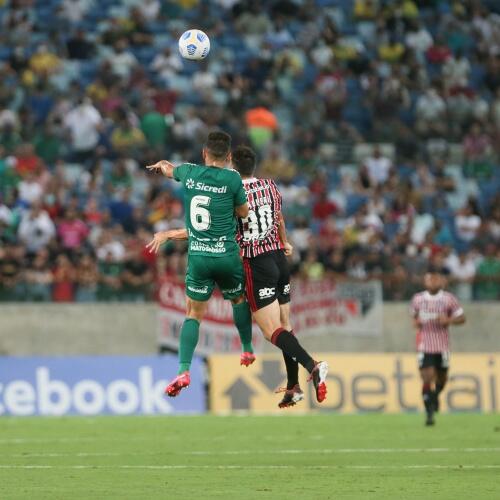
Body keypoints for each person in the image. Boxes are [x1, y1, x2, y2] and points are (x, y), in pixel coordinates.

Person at [148, 145, 329, 407]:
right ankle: (293, 385)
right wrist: (285, 242)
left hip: (256, 263)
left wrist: (169, 234)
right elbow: (278, 217)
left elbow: (208, 228)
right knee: (285, 326)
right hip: (279, 259)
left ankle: (313, 365)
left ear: (233, 166)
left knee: (271, 331)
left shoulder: (233, 193)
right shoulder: (270, 186)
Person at [145, 131, 255, 397]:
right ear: (229, 157)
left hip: (199, 257)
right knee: (238, 299)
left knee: (193, 314)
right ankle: (247, 349)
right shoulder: (232, 178)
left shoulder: (190, 173)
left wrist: (162, 166)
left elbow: (170, 170)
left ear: (204, 153)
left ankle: (184, 369)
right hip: (227, 255)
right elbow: (243, 213)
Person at [410, 267, 466, 426]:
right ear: (425, 281)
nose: (433, 282)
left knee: (442, 378)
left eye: (436, 279)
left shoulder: (449, 299)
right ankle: (429, 414)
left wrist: (449, 321)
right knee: (427, 376)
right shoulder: (418, 299)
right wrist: (417, 323)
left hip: (442, 345)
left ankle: (434, 398)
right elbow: (414, 320)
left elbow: (462, 318)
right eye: (430, 279)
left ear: (441, 281)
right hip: (424, 344)